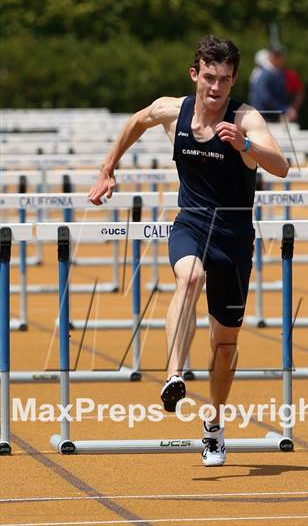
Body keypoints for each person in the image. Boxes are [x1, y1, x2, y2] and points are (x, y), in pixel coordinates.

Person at [88, 35, 289, 467]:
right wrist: (108, 169)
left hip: (234, 238)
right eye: (210, 78)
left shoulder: (245, 117)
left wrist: (245, 145)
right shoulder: (171, 111)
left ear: (234, 81)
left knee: (224, 344)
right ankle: (175, 374)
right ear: (194, 74)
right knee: (189, 277)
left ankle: (214, 425)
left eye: (226, 81)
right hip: (192, 224)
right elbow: (136, 122)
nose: (217, 89)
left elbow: (282, 165)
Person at [249, 45, 304, 123]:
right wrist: (285, 109)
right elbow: (265, 99)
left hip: (267, 117)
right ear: (271, 56)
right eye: (277, 56)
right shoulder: (266, 74)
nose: (281, 59)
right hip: (265, 118)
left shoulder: (271, 73)